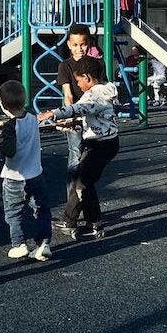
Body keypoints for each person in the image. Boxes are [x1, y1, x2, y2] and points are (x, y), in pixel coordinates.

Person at [39, 56, 120, 240]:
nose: (77, 84)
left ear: (87, 77)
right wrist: (71, 123)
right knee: (83, 181)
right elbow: (90, 115)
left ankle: (86, 223)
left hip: (100, 145)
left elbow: (78, 108)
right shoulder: (103, 90)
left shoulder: (95, 94)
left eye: (78, 81)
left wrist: (52, 113)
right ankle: (81, 222)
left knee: (82, 182)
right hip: (106, 143)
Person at [0, 80, 52, 261]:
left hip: (15, 177)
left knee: (13, 212)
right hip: (36, 174)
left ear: (2, 105)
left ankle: (19, 244)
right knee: (41, 210)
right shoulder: (32, 117)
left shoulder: (10, 127)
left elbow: (9, 150)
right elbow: (17, 120)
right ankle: (44, 243)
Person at [56, 24, 94, 216]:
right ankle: (72, 210)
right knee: (74, 160)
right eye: (76, 45)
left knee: (90, 164)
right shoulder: (65, 66)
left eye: (83, 44)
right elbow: (68, 95)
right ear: (69, 45)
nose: (80, 48)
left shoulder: (96, 64)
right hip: (77, 118)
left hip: (93, 118)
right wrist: (71, 115)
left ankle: (88, 208)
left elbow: (99, 90)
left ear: (89, 44)